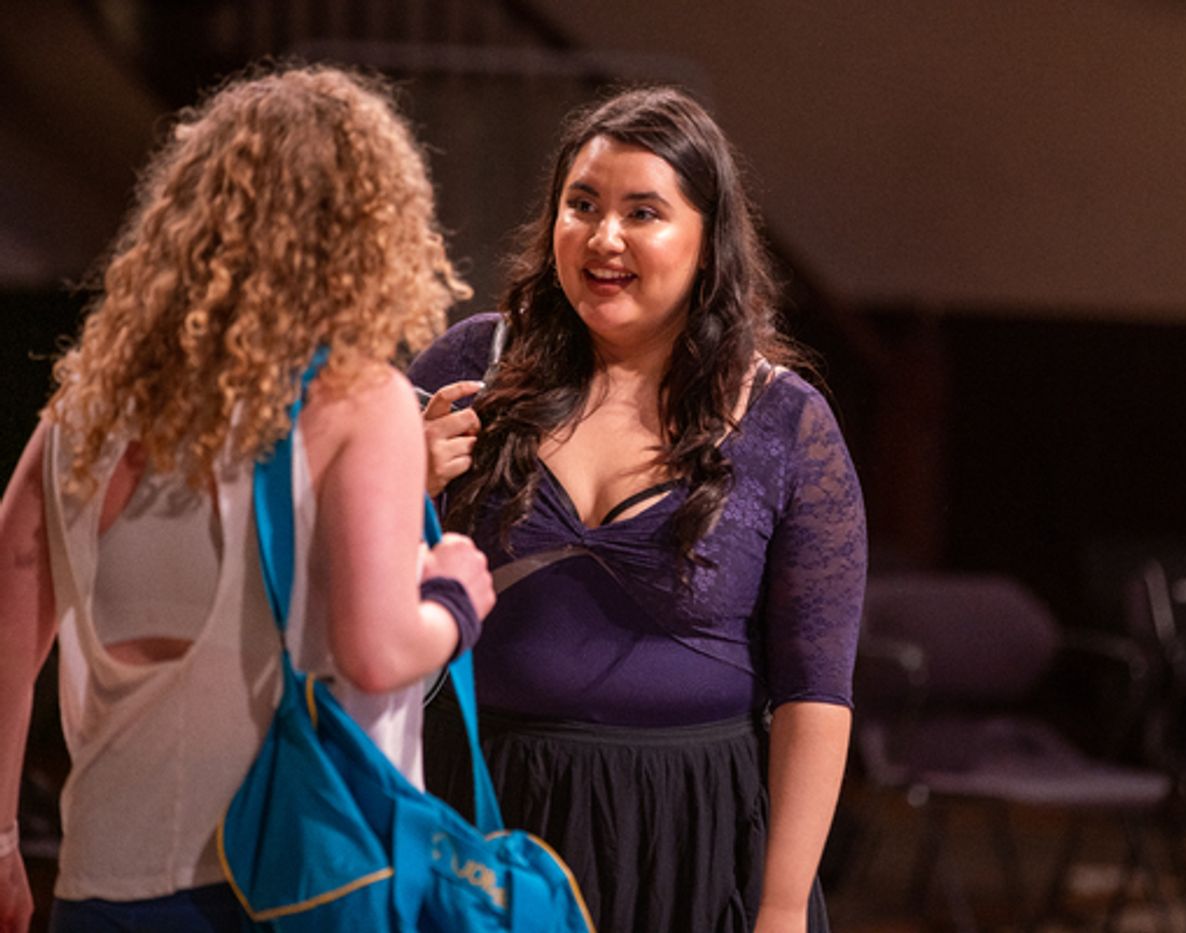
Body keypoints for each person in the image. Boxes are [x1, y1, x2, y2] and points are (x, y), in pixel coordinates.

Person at [0, 64, 494, 932]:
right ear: (365, 227)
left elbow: (10, 605)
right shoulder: (353, 398)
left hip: (101, 876)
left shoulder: (84, 410)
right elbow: (378, 651)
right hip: (285, 881)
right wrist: (456, 595)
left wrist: (2, 837)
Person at [411, 85, 867, 933]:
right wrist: (406, 483)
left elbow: (816, 694)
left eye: (642, 212)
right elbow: (338, 574)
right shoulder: (472, 364)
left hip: (693, 837)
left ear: (706, 241)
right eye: (580, 205)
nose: (603, 236)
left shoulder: (786, 421)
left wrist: (778, 906)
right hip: (483, 817)